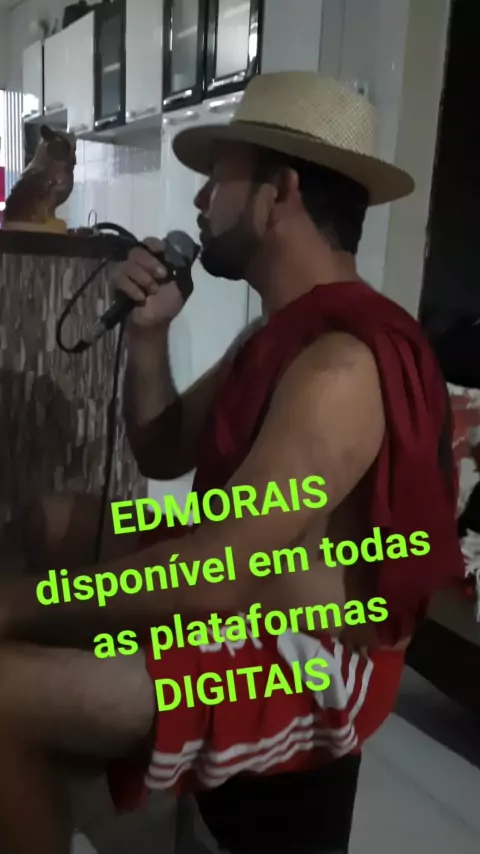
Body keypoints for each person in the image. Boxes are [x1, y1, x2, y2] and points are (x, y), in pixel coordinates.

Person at [0, 71, 464, 854]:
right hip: (249, 585)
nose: (199, 200)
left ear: (278, 195)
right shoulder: (278, 335)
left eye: (219, 178)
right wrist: (149, 335)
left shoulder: (339, 366)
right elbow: (161, 448)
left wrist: (19, 609)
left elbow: (215, 578)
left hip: (310, 658)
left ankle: (46, 730)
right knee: (51, 520)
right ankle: (60, 753)